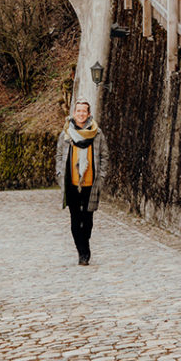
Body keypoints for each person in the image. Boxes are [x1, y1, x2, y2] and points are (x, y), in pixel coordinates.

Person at [56, 97, 109, 265]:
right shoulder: (66, 133)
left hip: (90, 183)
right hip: (71, 183)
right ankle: (83, 253)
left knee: (87, 221)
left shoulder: (97, 133)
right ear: (74, 113)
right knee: (74, 219)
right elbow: (59, 155)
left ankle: (84, 247)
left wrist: (100, 177)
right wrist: (59, 174)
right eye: (78, 111)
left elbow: (104, 156)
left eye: (83, 111)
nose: (80, 114)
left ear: (88, 114)